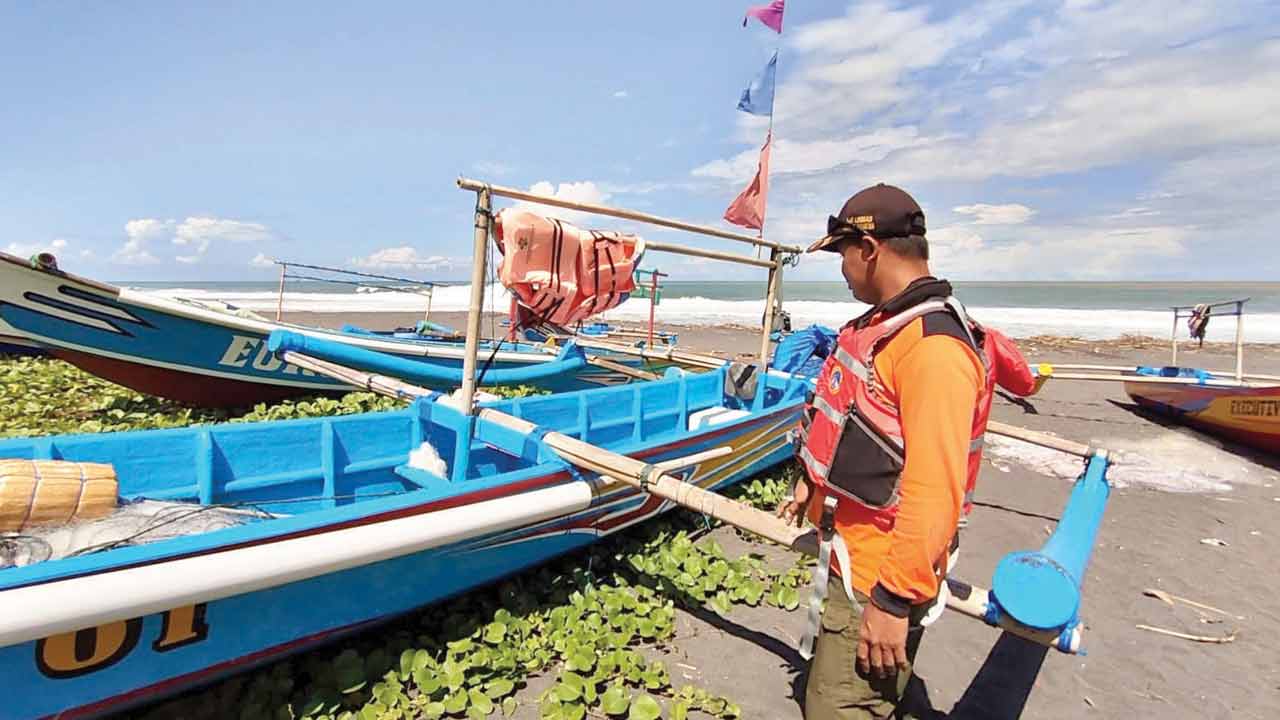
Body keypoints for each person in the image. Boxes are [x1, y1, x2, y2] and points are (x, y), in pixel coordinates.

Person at [778, 184, 995, 719]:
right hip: (855, 554)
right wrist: (812, 476)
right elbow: (856, 422)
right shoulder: (884, 327)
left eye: (843, 254)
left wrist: (894, 601)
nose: (842, 268)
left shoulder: (933, 350)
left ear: (869, 250)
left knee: (840, 706)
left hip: (883, 570)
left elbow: (934, 489)